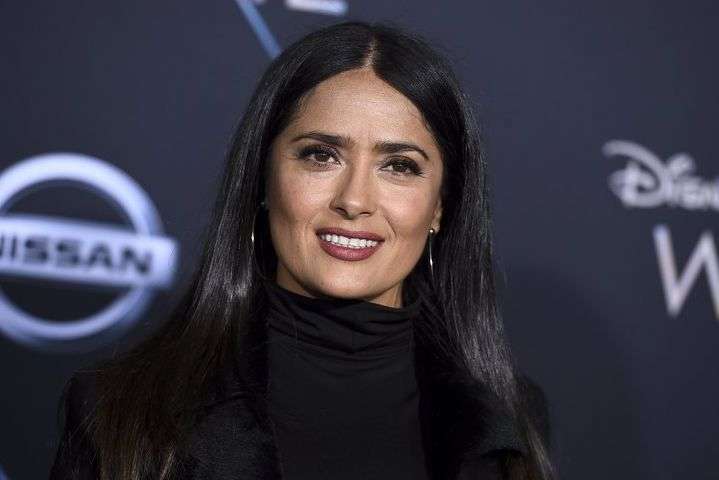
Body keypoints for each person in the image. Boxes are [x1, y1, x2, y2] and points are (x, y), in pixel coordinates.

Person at [49, 20, 555, 480]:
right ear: (263, 180)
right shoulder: (123, 410)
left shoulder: (509, 419)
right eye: (321, 155)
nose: (354, 200)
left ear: (440, 205)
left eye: (399, 166)